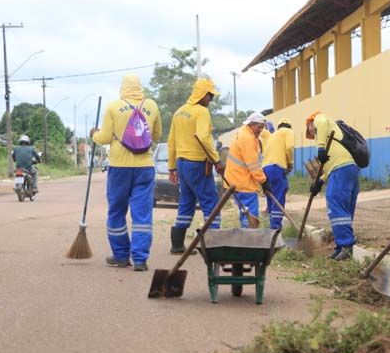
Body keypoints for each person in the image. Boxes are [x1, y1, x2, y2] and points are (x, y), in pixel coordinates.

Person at [90, 74, 162, 271]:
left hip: (119, 167)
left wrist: (93, 134)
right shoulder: (152, 105)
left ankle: (121, 256)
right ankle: (140, 259)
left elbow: (104, 138)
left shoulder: (113, 107)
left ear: (123, 88)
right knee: (142, 214)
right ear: (140, 87)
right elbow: (156, 135)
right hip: (145, 167)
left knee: (116, 211)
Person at [167, 77, 223, 253]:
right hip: (197, 164)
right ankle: (214, 246)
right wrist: (217, 160)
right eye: (210, 96)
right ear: (203, 95)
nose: (211, 100)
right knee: (210, 201)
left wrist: (172, 167)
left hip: (182, 164)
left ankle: (177, 245)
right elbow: (204, 137)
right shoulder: (201, 112)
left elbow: (171, 142)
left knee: (187, 201)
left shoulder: (179, 112)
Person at [306, 111, 359, 261]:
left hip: (341, 169)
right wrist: (320, 181)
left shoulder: (320, 119)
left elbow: (321, 123)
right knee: (343, 207)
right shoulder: (332, 139)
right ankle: (341, 245)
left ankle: (346, 245)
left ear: (310, 123)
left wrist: (321, 148)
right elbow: (330, 168)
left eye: (309, 130)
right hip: (347, 169)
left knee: (335, 203)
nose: (312, 134)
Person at [224, 113, 270, 227]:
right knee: (250, 214)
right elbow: (253, 165)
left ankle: (243, 237)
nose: (260, 130)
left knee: (244, 211)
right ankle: (249, 239)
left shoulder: (243, 132)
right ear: (251, 124)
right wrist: (263, 181)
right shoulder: (248, 138)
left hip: (236, 180)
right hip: (243, 182)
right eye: (259, 127)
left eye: (262, 127)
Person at [262, 117, 294, 229]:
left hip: (265, 168)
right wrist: (290, 163)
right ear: (288, 126)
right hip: (277, 167)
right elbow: (289, 147)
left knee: (271, 196)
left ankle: (272, 224)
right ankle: (276, 227)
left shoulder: (274, 135)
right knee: (279, 194)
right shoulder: (288, 131)